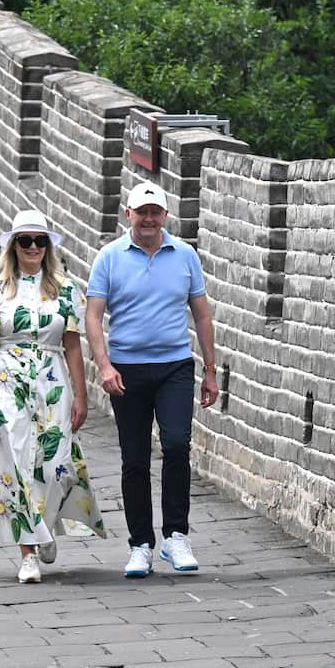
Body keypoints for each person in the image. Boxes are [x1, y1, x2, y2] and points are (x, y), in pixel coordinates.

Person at [0, 209, 107, 584]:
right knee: (15, 463)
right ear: (13, 245)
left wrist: (81, 396)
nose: (32, 247)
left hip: (51, 379)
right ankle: (28, 552)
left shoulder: (65, 288)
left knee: (55, 463)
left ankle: (42, 525)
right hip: (6, 379)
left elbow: (73, 346)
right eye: (24, 240)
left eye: (39, 240)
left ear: (47, 246)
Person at [85, 182, 219, 578]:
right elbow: (93, 316)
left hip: (175, 365)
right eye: (141, 212)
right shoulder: (110, 257)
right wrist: (105, 365)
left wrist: (210, 370)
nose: (148, 219)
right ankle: (140, 544)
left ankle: (176, 534)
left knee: (177, 445)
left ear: (165, 216)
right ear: (128, 214)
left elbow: (202, 315)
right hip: (127, 370)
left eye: (154, 212)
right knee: (135, 459)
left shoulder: (184, 255)